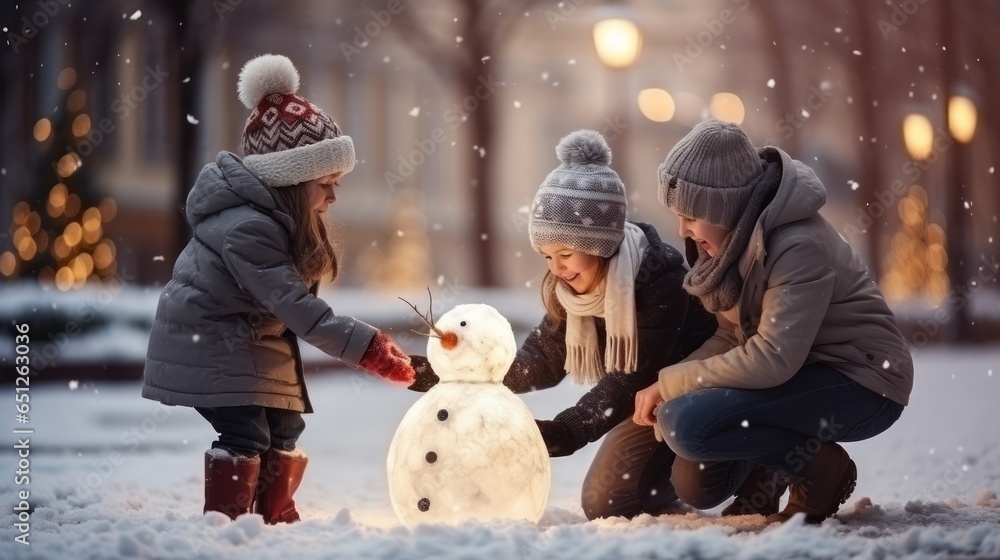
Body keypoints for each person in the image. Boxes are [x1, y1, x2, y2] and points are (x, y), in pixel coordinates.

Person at [142, 54, 415, 524]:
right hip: (214, 344)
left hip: (248, 343)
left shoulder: (275, 223)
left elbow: (291, 303)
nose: (334, 196)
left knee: (285, 426)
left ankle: (275, 513)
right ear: (290, 182)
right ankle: (226, 524)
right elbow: (295, 305)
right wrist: (366, 347)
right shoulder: (248, 229)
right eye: (326, 183)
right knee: (247, 432)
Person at [410, 130, 719, 520]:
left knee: (701, 480)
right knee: (607, 502)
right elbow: (539, 361)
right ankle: (657, 485)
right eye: (546, 255)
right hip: (644, 405)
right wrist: (442, 374)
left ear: (600, 246)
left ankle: (747, 464)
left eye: (566, 253)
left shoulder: (661, 281)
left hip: (694, 395)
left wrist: (565, 430)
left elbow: (630, 377)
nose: (556, 268)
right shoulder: (571, 291)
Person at [633, 119, 914, 524]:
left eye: (690, 215)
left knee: (687, 425)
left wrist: (673, 383)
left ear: (722, 206)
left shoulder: (797, 245)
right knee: (695, 480)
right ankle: (770, 471)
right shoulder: (733, 243)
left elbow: (773, 358)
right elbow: (733, 333)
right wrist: (673, 379)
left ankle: (821, 471)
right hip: (799, 373)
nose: (683, 231)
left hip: (863, 381)